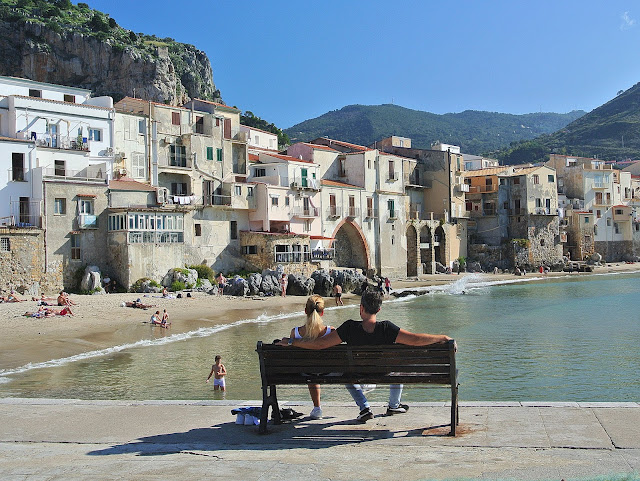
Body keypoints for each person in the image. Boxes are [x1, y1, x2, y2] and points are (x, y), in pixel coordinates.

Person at [277, 289, 453, 423]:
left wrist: (292, 342)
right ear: (379, 309)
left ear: (361, 308)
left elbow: (320, 344)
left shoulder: (349, 328)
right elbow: (415, 340)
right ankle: (394, 405)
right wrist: (443, 338)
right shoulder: (387, 328)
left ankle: (364, 407)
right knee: (397, 368)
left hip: (356, 373)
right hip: (382, 373)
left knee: (347, 374)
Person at [288, 295, 335, 419]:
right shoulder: (332, 331)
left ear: (305, 311)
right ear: (323, 312)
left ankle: (317, 408)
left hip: (305, 372)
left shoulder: (295, 333)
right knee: (315, 369)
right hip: (328, 372)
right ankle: (363, 406)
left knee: (311, 370)